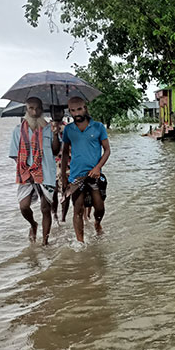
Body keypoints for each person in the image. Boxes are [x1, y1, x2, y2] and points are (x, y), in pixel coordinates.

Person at [9, 97, 61, 245]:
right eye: (31, 108)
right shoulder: (18, 131)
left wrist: (56, 134)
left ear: (42, 109)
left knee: (46, 208)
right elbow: (14, 155)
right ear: (26, 109)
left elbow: (56, 151)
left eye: (38, 108)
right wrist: (29, 171)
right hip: (26, 174)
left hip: (47, 173)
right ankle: (33, 224)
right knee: (24, 206)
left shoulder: (48, 128)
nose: (35, 111)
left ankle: (45, 241)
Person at [60, 97, 110, 243]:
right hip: (76, 176)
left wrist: (98, 167)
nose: (77, 113)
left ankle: (97, 223)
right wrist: (63, 176)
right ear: (69, 112)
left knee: (99, 207)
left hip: (94, 174)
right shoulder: (69, 130)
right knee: (77, 209)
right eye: (73, 111)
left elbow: (107, 150)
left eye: (79, 109)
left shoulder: (98, 127)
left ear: (85, 108)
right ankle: (80, 241)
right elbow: (64, 153)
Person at [49, 106, 70, 223]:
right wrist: (55, 134)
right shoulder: (47, 128)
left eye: (59, 110)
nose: (57, 113)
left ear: (63, 112)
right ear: (50, 112)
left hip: (67, 163)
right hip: (52, 163)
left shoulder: (68, 127)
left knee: (66, 191)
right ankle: (54, 214)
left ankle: (63, 217)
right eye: (54, 111)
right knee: (53, 191)